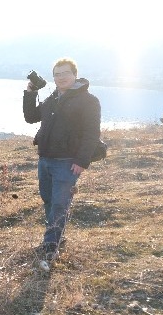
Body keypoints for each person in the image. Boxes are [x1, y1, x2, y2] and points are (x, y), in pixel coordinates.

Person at [23, 58, 101, 267]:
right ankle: (57, 237)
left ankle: (50, 248)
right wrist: (30, 92)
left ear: (75, 75)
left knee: (59, 203)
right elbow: (30, 117)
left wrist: (82, 160)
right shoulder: (52, 99)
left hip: (67, 162)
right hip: (45, 159)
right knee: (49, 201)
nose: (60, 78)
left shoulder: (88, 100)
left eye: (65, 73)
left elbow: (92, 133)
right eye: (57, 74)